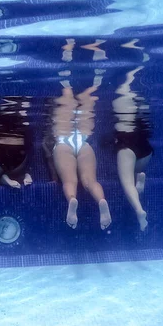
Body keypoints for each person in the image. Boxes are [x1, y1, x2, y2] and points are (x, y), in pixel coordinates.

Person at [48, 83, 111, 230]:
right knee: (90, 181)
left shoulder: (56, 111)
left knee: (70, 181)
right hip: (83, 143)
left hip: (63, 143)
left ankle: (72, 200)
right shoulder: (84, 115)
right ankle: (101, 200)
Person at [113, 52, 153, 231]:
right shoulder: (142, 101)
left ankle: (139, 210)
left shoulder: (121, 94)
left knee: (126, 183)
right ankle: (139, 181)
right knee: (134, 171)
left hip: (126, 146)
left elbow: (127, 80)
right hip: (146, 148)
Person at [0, 99, 32, 189]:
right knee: (16, 171)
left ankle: (1, 180)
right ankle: (24, 175)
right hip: (19, 152)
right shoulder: (22, 116)